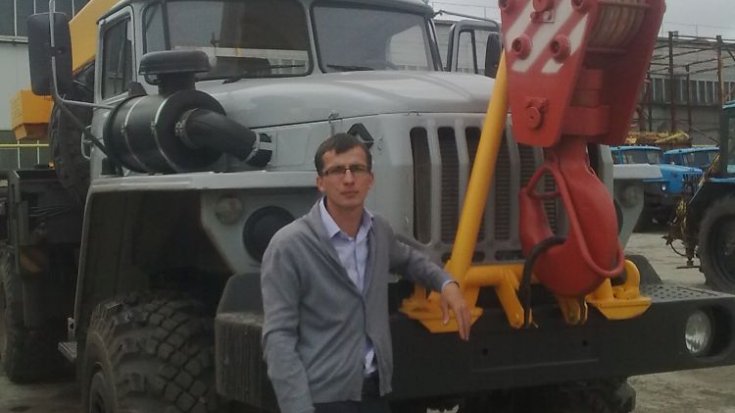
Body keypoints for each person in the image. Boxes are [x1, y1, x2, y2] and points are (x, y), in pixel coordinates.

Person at [261, 133, 472, 413]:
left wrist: (446, 283)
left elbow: (410, 260)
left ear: (370, 179)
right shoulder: (289, 246)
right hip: (322, 400)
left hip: (374, 393)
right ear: (320, 182)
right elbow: (278, 337)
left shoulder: (378, 232)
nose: (349, 180)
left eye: (357, 169)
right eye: (337, 170)